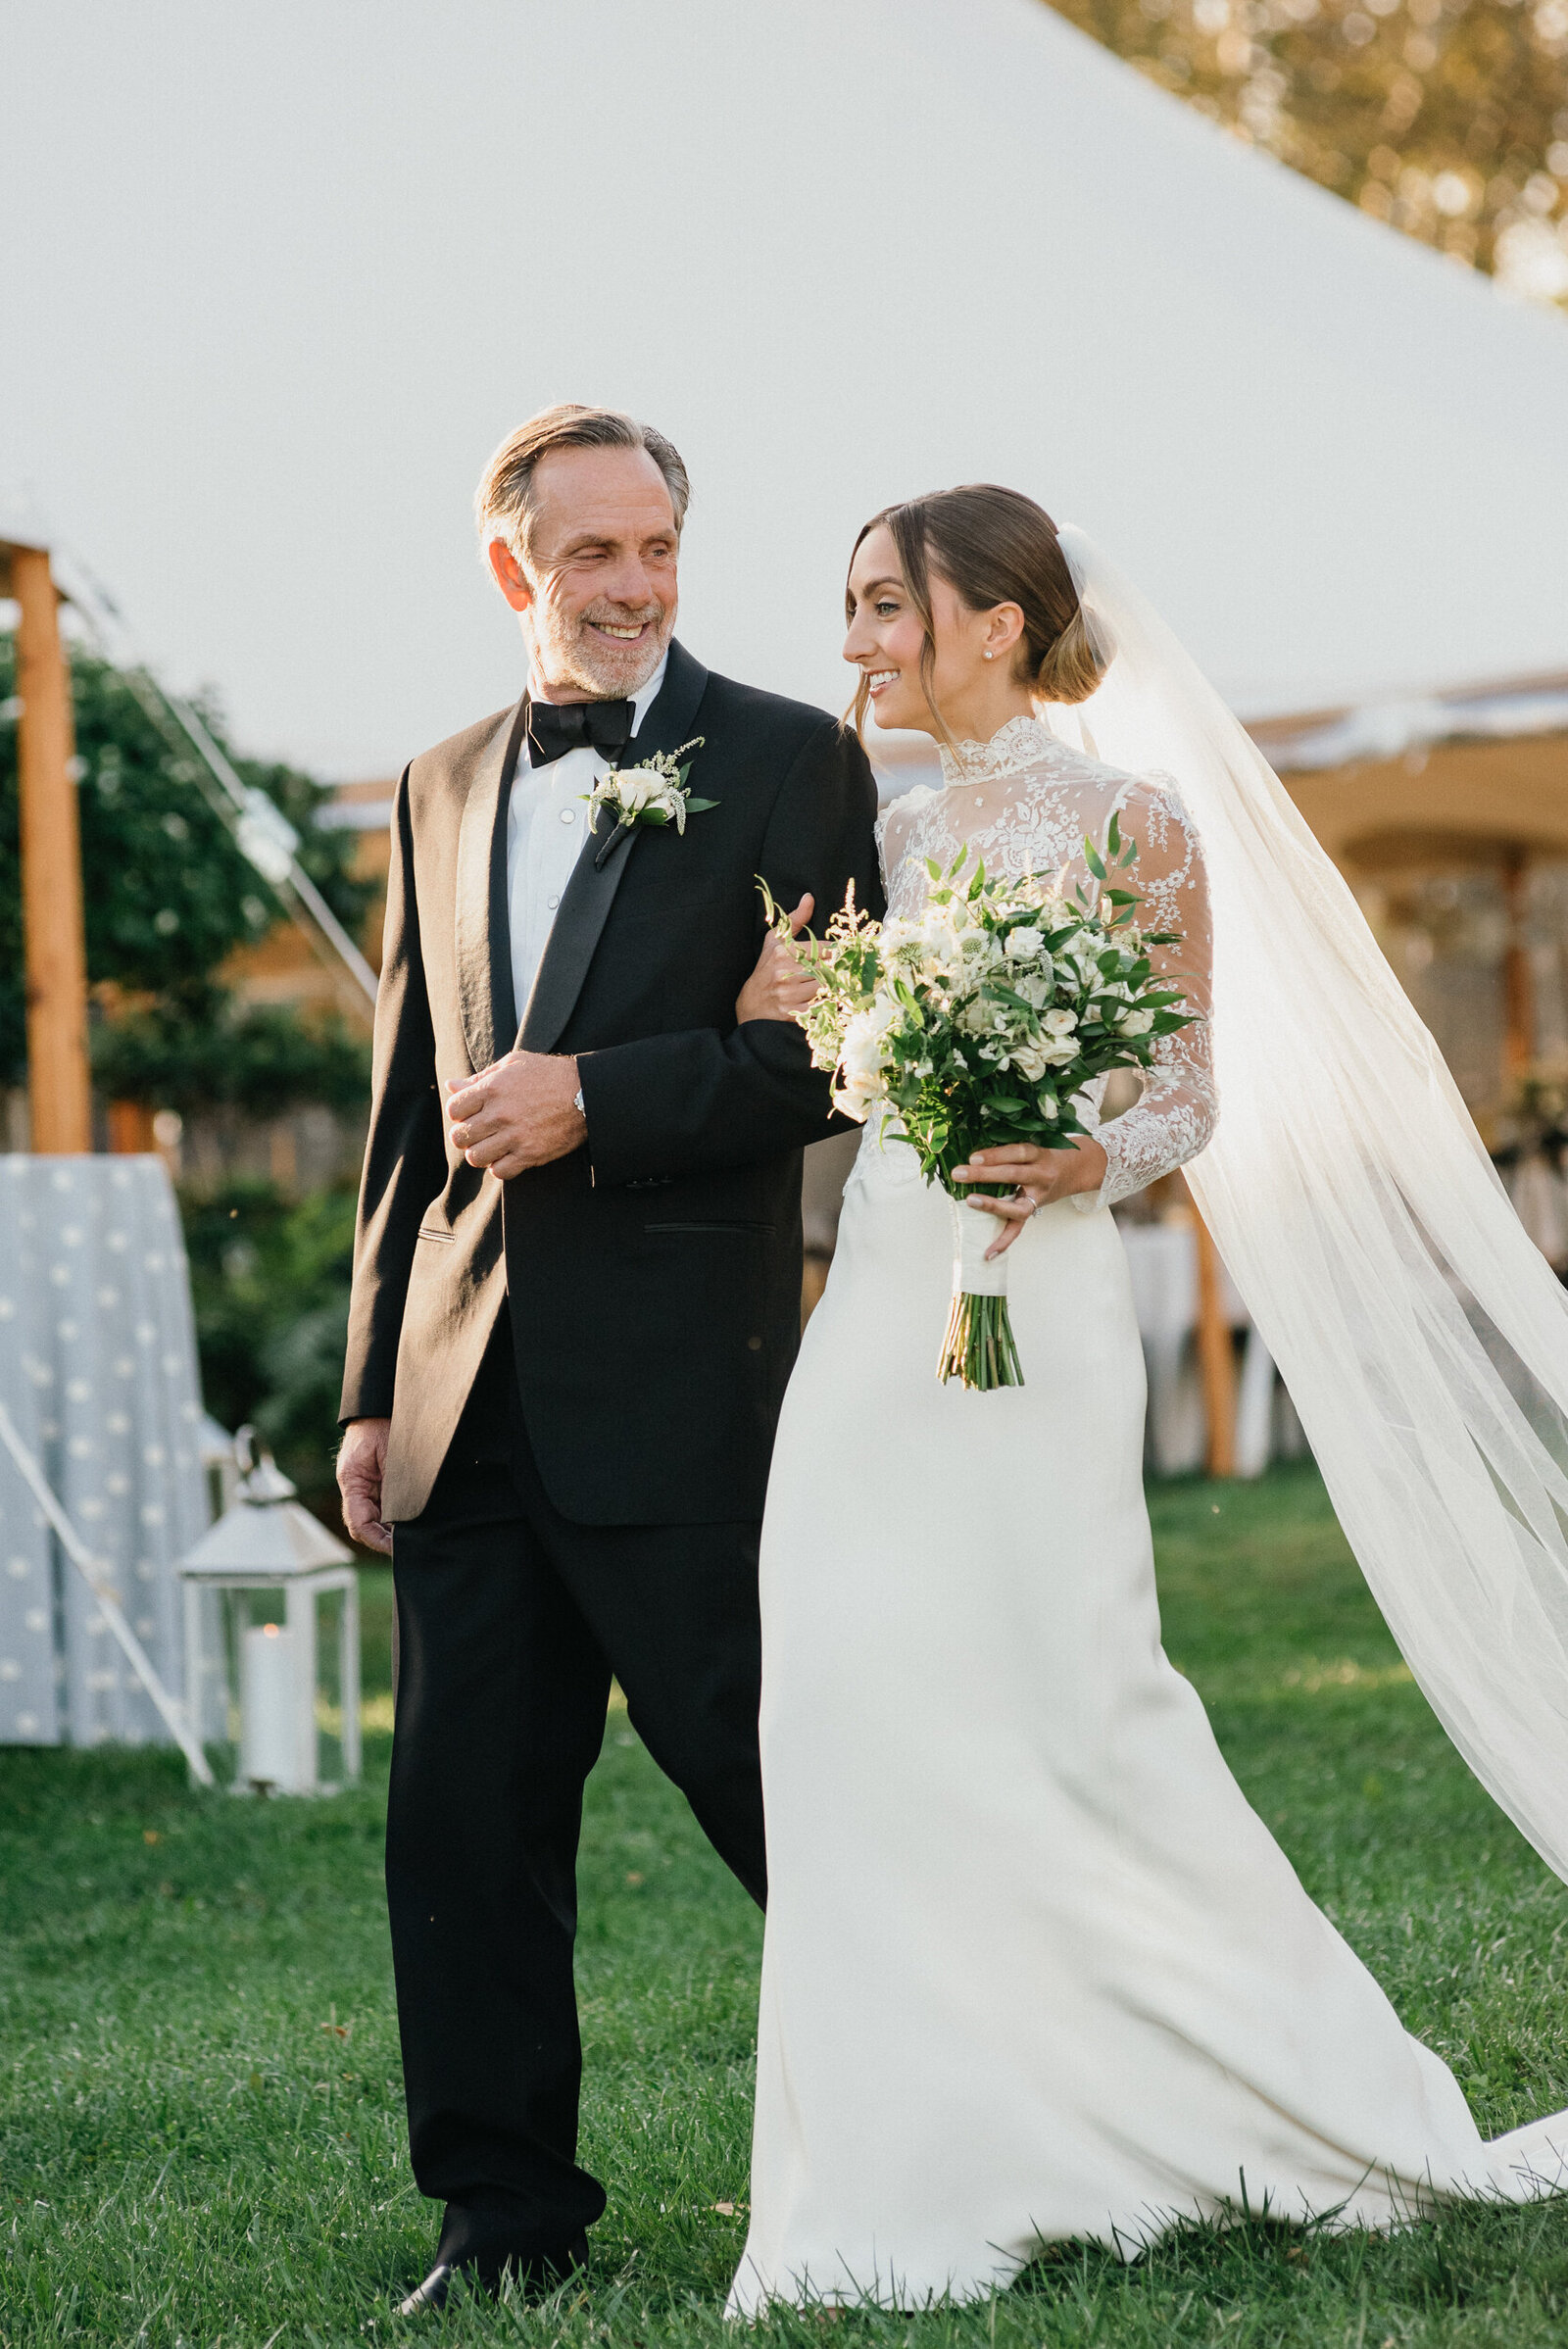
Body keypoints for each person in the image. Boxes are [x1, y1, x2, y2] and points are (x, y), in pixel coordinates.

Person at [726, 484, 1568, 2313]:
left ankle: (1239, 2093)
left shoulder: (1135, 825)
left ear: (995, 623)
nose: (857, 642)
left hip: (1043, 1287)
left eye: (885, 605)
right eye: (850, 607)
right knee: (844, 1686)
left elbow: (1188, 1088)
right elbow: (810, 1053)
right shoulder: (867, 826)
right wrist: (801, 1005)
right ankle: (904, 2152)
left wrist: (1080, 1154)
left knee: (1069, 1691)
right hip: (882, 1295)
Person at [335, 404, 881, 2312]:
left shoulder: (792, 760)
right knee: (463, 1821)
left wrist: (601, 1095)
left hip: (680, 1383)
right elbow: (404, 1110)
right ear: (513, 567)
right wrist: (368, 1385)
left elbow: (838, 1060)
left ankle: (947, 2117)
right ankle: (500, 2217)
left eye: (658, 545)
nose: (635, 584)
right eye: (594, 553)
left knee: (767, 1778)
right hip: (461, 1387)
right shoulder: (434, 781)